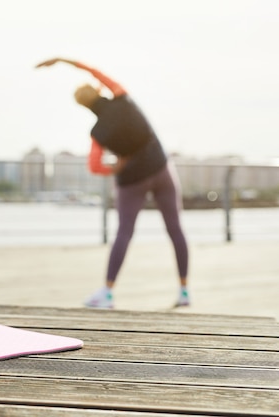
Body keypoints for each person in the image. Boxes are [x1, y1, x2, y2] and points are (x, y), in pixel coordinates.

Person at [36, 57, 189, 309]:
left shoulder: (97, 133)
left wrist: (115, 166)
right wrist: (63, 60)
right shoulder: (122, 98)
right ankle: (184, 290)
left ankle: (107, 293)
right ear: (98, 90)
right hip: (161, 169)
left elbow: (94, 166)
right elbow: (96, 71)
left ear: (84, 106)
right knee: (175, 228)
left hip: (131, 180)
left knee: (124, 232)